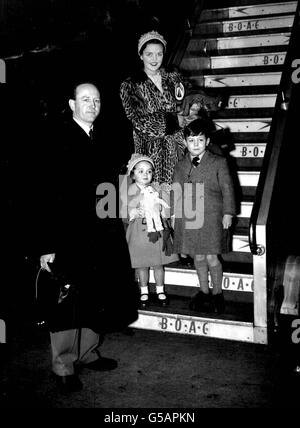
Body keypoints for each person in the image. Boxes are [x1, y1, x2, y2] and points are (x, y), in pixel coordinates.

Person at [34, 82, 138, 393]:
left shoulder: (103, 138)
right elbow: (44, 195)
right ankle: (63, 364)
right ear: (71, 103)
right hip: (68, 236)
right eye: (85, 99)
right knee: (67, 299)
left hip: (102, 234)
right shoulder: (56, 139)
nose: (92, 104)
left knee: (97, 294)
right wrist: (46, 245)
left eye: (96, 100)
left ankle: (88, 352)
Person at [172, 118, 236, 314]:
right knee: (198, 257)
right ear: (185, 142)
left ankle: (217, 294)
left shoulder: (219, 162)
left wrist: (228, 213)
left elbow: (228, 190)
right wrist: (175, 215)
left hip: (212, 216)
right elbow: (176, 191)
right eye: (191, 141)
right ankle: (204, 291)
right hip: (191, 217)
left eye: (200, 140)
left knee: (212, 257)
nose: (196, 145)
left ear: (207, 141)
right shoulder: (181, 165)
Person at [122, 153, 178, 308]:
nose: (146, 174)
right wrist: (133, 213)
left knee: (158, 263)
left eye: (149, 171)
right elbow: (124, 213)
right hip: (139, 232)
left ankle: (160, 290)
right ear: (133, 174)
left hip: (157, 231)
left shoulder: (157, 189)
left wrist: (161, 210)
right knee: (142, 265)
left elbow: (165, 210)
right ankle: (144, 290)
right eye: (140, 171)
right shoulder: (130, 191)